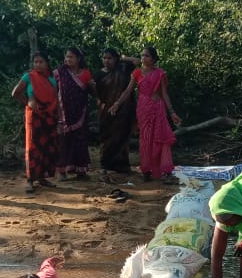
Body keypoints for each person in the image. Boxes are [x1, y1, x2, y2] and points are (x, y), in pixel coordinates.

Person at [109, 46, 181, 183]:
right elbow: (128, 91)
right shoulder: (137, 73)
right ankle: (147, 170)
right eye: (142, 55)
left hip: (158, 109)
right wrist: (117, 103)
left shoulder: (160, 73)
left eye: (146, 56)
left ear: (153, 59)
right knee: (146, 139)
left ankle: (166, 171)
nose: (143, 58)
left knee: (161, 138)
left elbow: (164, 94)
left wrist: (172, 112)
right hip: (143, 109)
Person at [11, 51, 58, 193]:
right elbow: (15, 93)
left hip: (49, 116)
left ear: (47, 63)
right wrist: (28, 102)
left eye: (41, 62)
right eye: (35, 62)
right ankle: (30, 180)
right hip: (34, 117)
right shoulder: (29, 77)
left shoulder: (52, 79)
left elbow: (55, 99)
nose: (38, 65)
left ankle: (42, 177)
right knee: (32, 147)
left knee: (47, 147)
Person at [54, 46, 95, 181]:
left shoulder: (85, 74)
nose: (68, 59)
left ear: (78, 59)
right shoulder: (60, 72)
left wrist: (94, 86)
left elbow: (93, 91)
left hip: (80, 113)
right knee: (63, 141)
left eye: (71, 57)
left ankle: (80, 170)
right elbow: (52, 88)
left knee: (80, 141)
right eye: (66, 56)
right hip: (64, 114)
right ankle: (62, 171)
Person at [94, 48, 134, 174]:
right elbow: (96, 93)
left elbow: (137, 61)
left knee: (121, 136)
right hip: (105, 110)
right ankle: (106, 164)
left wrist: (122, 58)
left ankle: (122, 165)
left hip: (123, 110)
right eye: (104, 58)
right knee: (106, 137)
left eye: (110, 58)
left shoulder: (122, 69)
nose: (106, 61)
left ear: (115, 59)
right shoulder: (99, 74)